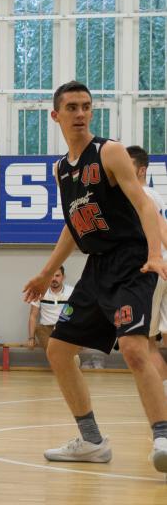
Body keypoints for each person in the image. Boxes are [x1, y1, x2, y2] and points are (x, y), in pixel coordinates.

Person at [23, 81, 167, 471]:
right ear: (55, 115)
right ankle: (92, 442)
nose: (81, 113)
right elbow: (74, 227)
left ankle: (163, 437)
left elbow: (145, 205)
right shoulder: (61, 169)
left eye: (86, 106)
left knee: (135, 348)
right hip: (97, 267)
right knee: (58, 350)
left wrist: (155, 254)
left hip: (133, 261)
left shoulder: (110, 152)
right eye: (72, 107)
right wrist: (45, 273)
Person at [126, 145, 167, 396]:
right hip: (162, 267)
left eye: (127, 165)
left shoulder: (141, 194)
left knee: (147, 344)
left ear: (141, 170)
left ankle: (163, 402)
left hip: (151, 271)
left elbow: (160, 229)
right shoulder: (155, 194)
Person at [27, 265, 73, 351]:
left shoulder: (71, 292)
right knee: (52, 350)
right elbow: (33, 316)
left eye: (57, 276)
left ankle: (69, 357)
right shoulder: (40, 292)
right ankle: (69, 357)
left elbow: (77, 313)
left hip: (64, 328)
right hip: (45, 329)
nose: (54, 279)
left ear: (63, 277)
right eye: (51, 276)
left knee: (65, 348)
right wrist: (31, 338)